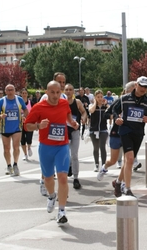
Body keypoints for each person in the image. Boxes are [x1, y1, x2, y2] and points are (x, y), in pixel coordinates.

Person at [24, 81, 79, 225]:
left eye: (58, 92)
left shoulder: (64, 103)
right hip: (46, 147)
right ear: (46, 92)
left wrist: (72, 123)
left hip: (62, 146)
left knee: (62, 178)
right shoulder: (38, 107)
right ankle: (51, 195)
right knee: (48, 179)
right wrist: (38, 125)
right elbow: (26, 126)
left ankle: (61, 211)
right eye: (52, 92)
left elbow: (68, 115)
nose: (55, 95)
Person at [112, 76, 147, 197]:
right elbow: (114, 110)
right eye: (141, 86)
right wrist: (117, 118)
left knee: (129, 161)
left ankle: (118, 182)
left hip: (138, 133)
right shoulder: (124, 99)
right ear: (136, 85)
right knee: (130, 159)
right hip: (125, 131)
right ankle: (127, 188)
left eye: (146, 87)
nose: (143, 89)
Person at [97, 81, 135, 181]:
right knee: (113, 160)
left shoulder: (137, 103)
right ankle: (104, 168)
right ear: (126, 91)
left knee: (127, 160)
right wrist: (114, 117)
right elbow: (106, 114)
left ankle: (120, 182)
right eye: (133, 91)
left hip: (129, 134)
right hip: (116, 134)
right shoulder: (120, 101)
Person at [39, 72, 68, 196]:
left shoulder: (65, 98)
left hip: (61, 135)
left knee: (62, 169)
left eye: (63, 82)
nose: (61, 85)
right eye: (59, 82)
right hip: (47, 136)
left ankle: (62, 190)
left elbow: (67, 115)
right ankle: (43, 180)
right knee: (48, 165)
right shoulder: (45, 98)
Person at [0, 84, 28, 176]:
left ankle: (15, 164)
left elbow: (25, 110)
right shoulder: (2, 101)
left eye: (11, 90)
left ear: (14, 91)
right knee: (6, 149)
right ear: (5, 91)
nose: (10, 92)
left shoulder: (19, 100)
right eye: (8, 90)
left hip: (17, 128)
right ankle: (9, 165)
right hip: (5, 128)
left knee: (16, 147)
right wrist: (0, 116)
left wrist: (24, 116)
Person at [65, 83, 87, 189]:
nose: (68, 91)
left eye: (70, 89)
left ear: (73, 91)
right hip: (64, 131)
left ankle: (76, 178)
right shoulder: (61, 103)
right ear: (64, 91)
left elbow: (84, 112)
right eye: (66, 90)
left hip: (75, 130)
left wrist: (83, 118)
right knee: (65, 154)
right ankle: (68, 166)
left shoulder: (77, 102)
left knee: (74, 154)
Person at [88, 90, 110, 172]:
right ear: (95, 98)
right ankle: (96, 164)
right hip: (94, 129)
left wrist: (106, 104)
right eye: (98, 97)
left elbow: (111, 111)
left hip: (103, 129)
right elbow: (91, 111)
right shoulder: (92, 105)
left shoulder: (105, 107)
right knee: (96, 148)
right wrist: (94, 103)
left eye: (101, 97)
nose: (100, 98)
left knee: (102, 147)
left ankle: (104, 165)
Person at [20, 88, 34, 161]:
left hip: (29, 123)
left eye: (25, 93)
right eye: (23, 93)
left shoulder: (30, 102)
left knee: (29, 138)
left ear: (27, 94)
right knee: (22, 139)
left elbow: (34, 111)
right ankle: (25, 154)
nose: (24, 94)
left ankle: (29, 148)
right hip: (20, 123)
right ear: (21, 94)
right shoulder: (18, 103)